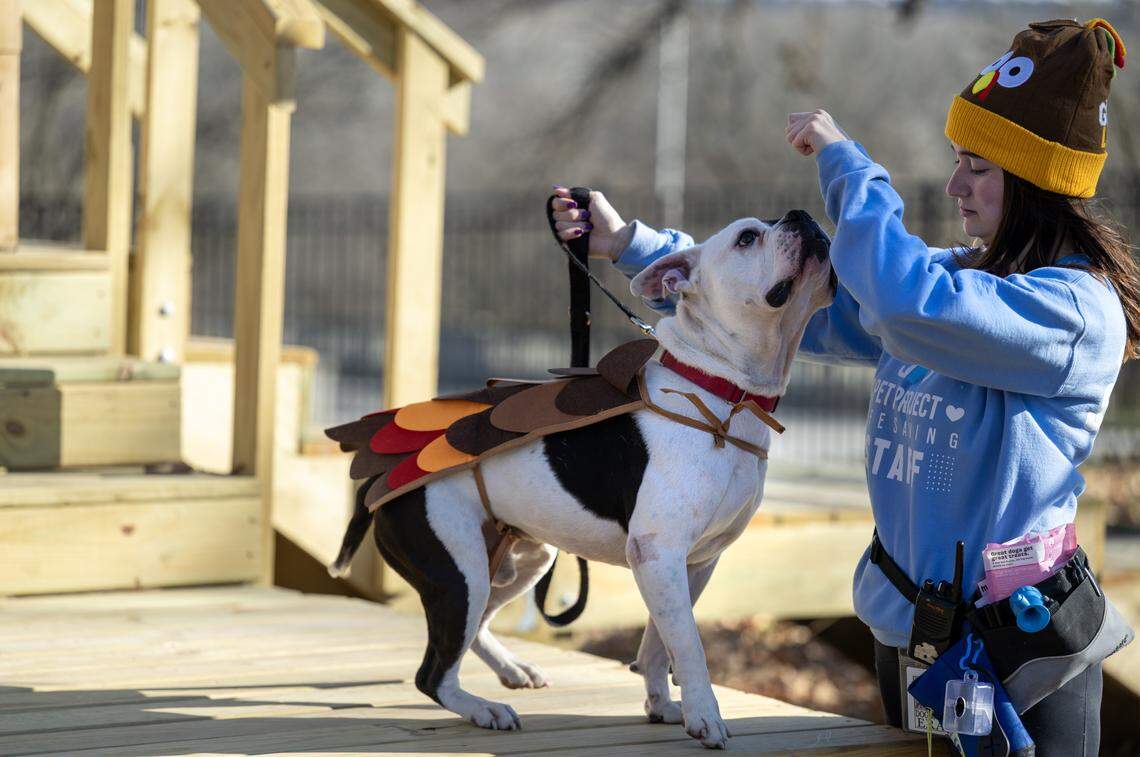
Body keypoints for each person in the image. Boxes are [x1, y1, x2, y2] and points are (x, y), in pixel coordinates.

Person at [551, 18, 1137, 755]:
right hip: (913, 635)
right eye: (958, 161)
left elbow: (901, 300)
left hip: (1019, 653)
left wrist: (850, 168)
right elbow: (799, 303)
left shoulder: (1071, 311)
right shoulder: (958, 282)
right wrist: (632, 245)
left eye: (978, 167)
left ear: (1038, 183)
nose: (955, 184)